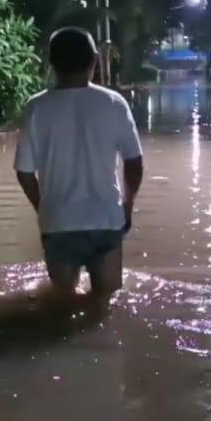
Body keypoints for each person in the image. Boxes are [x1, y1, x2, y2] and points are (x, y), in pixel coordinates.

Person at [14, 27, 144, 296]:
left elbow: (25, 172)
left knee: (61, 304)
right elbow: (133, 161)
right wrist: (127, 206)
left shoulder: (36, 107)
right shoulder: (114, 103)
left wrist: (43, 208)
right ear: (94, 60)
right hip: (105, 220)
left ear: (51, 61)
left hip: (58, 222)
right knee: (107, 303)